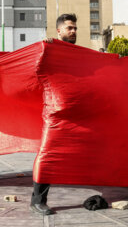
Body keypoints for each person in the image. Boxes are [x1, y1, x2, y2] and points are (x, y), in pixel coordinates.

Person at [30, 13, 78, 215]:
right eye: (69, 28)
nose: (74, 31)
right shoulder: (48, 48)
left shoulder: (79, 54)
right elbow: (36, 70)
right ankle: (37, 200)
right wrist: (43, 49)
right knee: (47, 154)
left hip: (75, 112)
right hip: (54, 113)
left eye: (75, 28)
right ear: (59, 31)